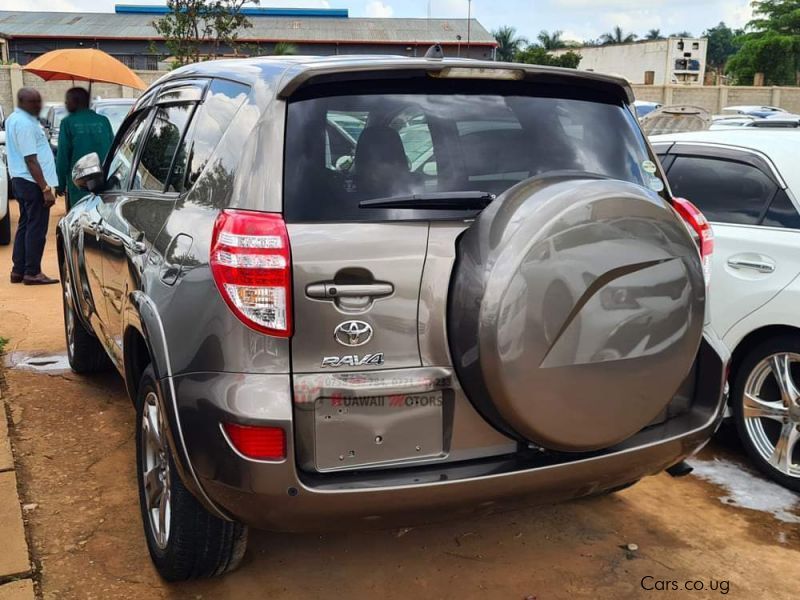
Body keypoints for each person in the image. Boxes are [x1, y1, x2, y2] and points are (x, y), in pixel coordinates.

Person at [6, 88, 58, 285]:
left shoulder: (13, 118)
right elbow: (31, 159)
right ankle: (32, 272)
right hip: (31, 181)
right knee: (36, 228)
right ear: (23, 102)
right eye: (34, 102)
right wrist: (45, 188)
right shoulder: (25, 124)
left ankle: (18, 271)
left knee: (25, 225)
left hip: (21, 180)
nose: (39, 105)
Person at [56, 87, 114, 209]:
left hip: (79, 185)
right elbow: (113, 151)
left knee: (80, 218)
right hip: (105, 183)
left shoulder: (67, 123)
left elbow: (62, 157)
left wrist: (60, 184)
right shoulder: (104, 121)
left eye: (67, 100)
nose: (65, 104)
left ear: (77, 102)